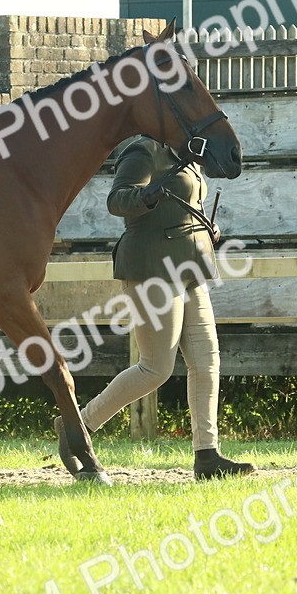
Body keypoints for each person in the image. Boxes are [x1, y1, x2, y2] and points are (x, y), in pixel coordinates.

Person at [55, 135, 255, 480]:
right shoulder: (143, 151)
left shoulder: (188, 154)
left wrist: (207, 227)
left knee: (207, 361)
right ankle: (77, 425)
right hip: (152, 267)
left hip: (191, 264)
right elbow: (117, 200)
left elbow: (186, 201)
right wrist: (144, 197)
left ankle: (207, 456)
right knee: (155, 368)